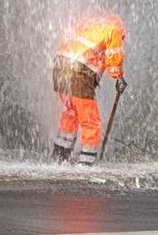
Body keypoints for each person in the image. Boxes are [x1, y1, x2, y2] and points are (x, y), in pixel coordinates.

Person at [51, 13, 128, 165]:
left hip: (59, 69)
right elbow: (114, 58)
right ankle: (86, 164)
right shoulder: (114, 30)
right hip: (79, 73)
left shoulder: (89, 26)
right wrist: (119, 78)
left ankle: (59, 157)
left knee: (71, 112)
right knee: (91, 120)